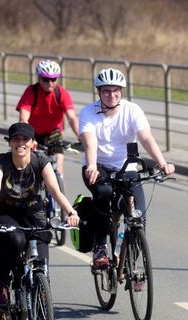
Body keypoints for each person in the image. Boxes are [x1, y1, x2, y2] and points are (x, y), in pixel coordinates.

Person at [79, 68, 176, 269]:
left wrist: (162, 162)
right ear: (99, 92)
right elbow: (90, 143)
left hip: (126, 168)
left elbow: (146, 138)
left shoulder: (132, 110)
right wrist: (92, 165)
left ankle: (133, 267)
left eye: (116, 90)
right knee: (103, 194)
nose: (111, 95)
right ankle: (100, 247)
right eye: (106, 91)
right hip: (98, 167)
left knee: (139, 216)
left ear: (121, 91)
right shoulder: (88, 113)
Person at [0, 122, 79, 305]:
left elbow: (55, 191)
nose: (20, 143)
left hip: (34, 212)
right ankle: (1, 282)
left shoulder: (41, 161)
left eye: (25, 139)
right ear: (9, 142)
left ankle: (42, 293)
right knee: (16, 240)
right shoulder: (1, 162)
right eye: (16, 139)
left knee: (42, 247)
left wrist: (71, 212)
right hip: (7, 212)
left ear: (32, 143)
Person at [16, 60, 79, 177]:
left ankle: (59, 182)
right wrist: (27, 137)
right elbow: (23, 118)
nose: (50, 83)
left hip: (54, 134)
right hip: (33, 133)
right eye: (45, 79)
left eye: (53, 79)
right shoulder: (31, 91)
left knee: (58, 167)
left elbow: (72, 117)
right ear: (39, 78)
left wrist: (80, 136)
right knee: (26, 167)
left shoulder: (61, 93)